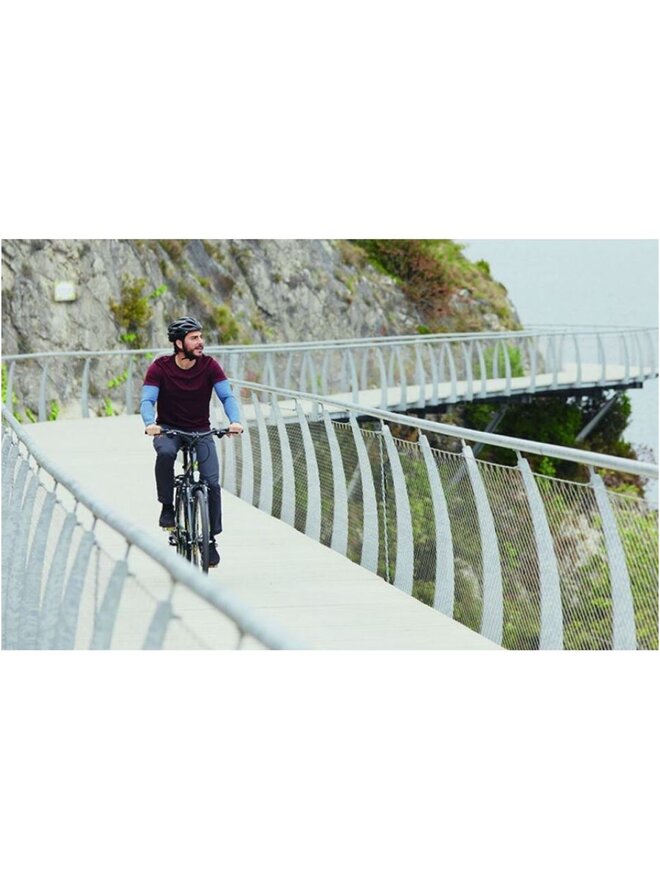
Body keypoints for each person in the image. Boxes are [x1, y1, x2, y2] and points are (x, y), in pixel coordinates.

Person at [140, 316, 243, 567]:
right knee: (165, 454)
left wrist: (235, 421)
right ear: (179, 343)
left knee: (212, 483)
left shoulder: (210, 366)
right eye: (194, 338)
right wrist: (150, 423)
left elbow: (227, 396)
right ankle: (167, 507)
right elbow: (148, 400)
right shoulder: (160, 367)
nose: (200, 342)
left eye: (200, 337)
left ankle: (210, 540)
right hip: (168, 429)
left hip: (200, 430)